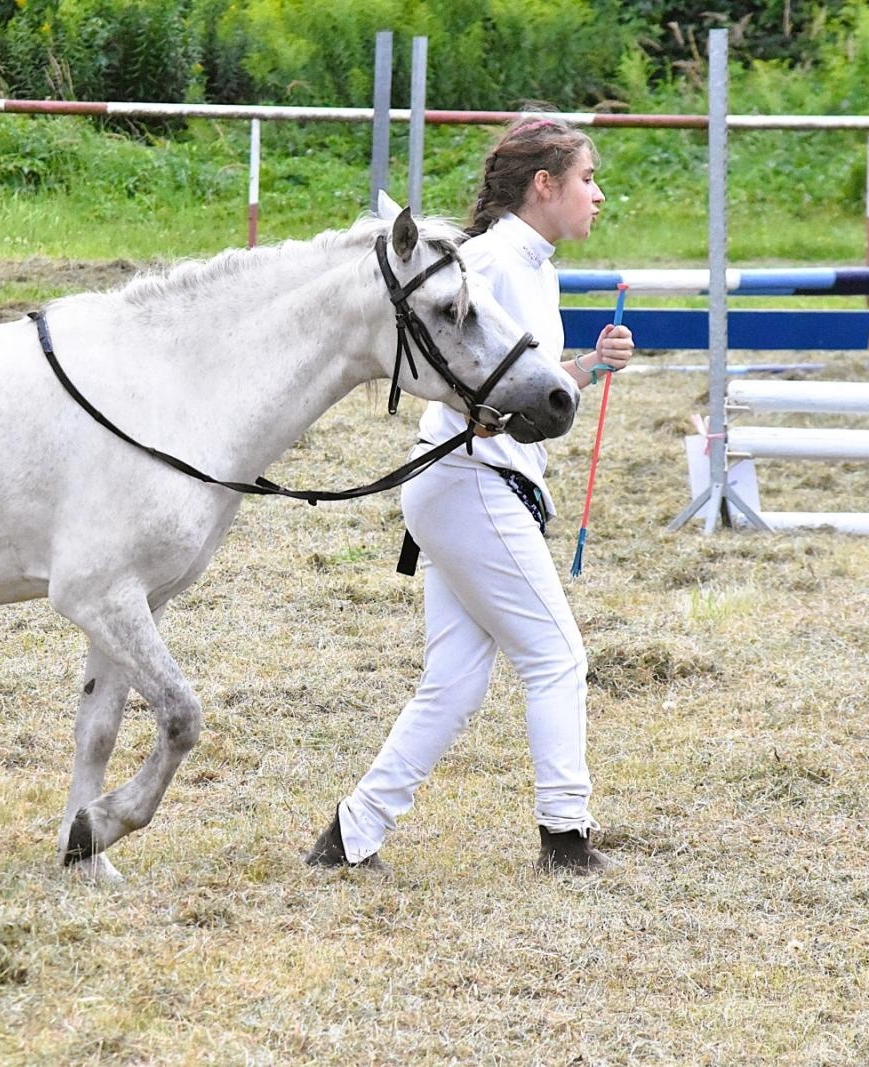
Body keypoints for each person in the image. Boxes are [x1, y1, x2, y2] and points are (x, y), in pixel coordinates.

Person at [306, 115, 636, 874]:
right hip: (470, 480)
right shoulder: (488, 262)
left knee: (452, 683)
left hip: (467, 481)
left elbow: (518, 391)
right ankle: (566, 838)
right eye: (588, 179)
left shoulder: (535, 263)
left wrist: (584, 369)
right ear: (544, 185)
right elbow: (458, 377)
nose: (600, 195)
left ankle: (350, 837)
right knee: (555, 655)